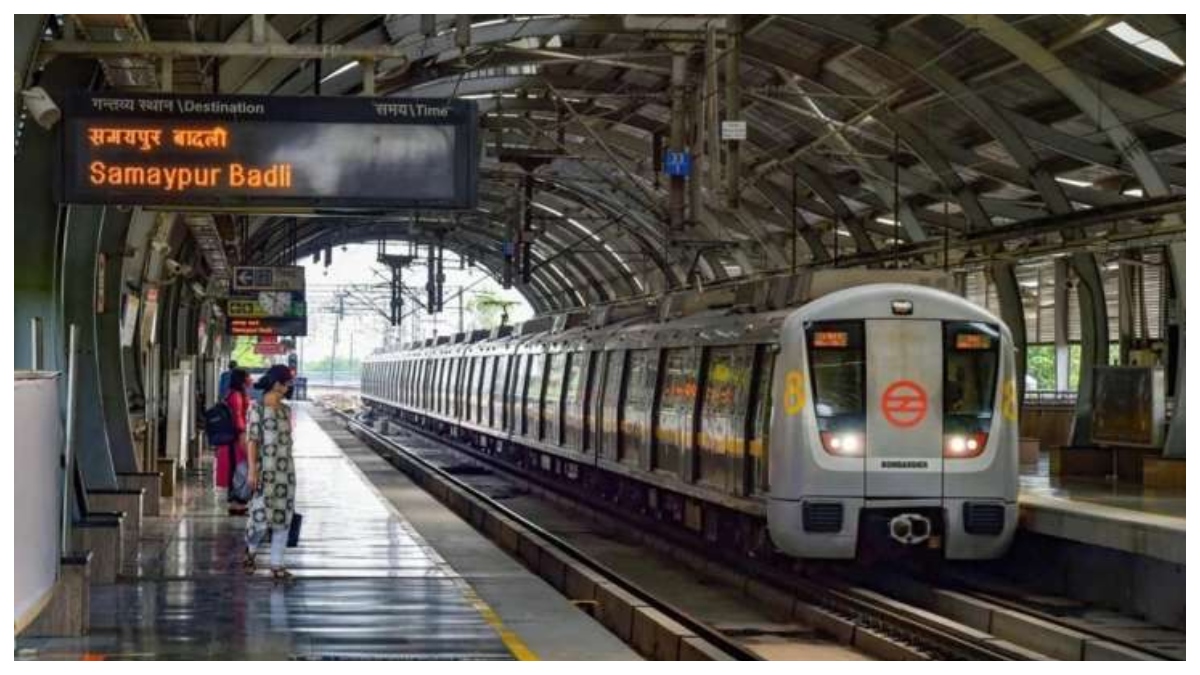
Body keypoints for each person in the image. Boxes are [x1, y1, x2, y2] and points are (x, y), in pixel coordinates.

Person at [243, 365, 297, 581]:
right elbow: (252, 441)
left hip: (286, 473)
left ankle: (277, 565)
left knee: (283, 519)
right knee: (259, 518)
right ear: (277, 384)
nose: (289, 387)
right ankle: (251, 551)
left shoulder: (286, 410)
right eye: (287, 383)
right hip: (265, 472)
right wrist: (252, 471)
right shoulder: (256, 409)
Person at [215, 369, 251, 515]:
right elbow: (237, 418)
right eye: (248, 376)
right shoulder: (236, 396)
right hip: (235, 440)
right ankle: (238, 502)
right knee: (242, 469)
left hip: (233, 438)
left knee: (236, 470)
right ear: (242, 379)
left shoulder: (232, 393)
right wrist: (243, 435)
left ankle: (237, 503)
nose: (251, 379)